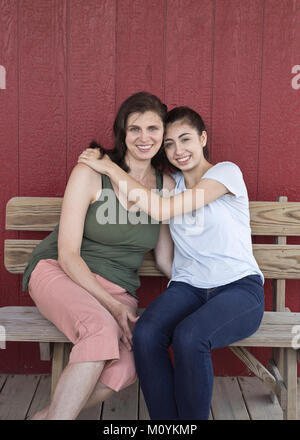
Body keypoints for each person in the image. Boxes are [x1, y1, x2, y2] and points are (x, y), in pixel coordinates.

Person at [78, 106, 264, 420]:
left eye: (186, 139)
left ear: (203, 138)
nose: (178, 150)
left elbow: (164, 212)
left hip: (238, 289)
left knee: (190, 337)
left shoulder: (225, 173)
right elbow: (165, 254)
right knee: (147, 334)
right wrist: (181, 282)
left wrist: (109, 169)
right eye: (169, 143)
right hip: (189, 288)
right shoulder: (169, 186)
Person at [22, 91, 175, 420]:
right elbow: (67, 254)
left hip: (120, 290)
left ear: (164, 134)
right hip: (62, 273)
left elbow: (165, 260)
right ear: (122, 132)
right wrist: (111, 306)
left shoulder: (167, 187)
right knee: (100, 330)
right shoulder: (92, 172)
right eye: (135, 128)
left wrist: (204, 290)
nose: (144, 137)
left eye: (153, 128)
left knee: (130, 365)